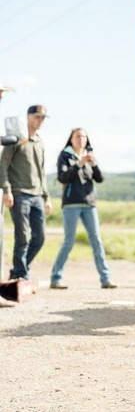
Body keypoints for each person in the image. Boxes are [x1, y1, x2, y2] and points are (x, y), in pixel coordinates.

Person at [49, 128, 115, 289]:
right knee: (69, 241)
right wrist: (79, 164)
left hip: (89, 204)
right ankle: (56, 278)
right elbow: (63, 177)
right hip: (71, 203)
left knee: (97, 240)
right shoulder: (64, 155)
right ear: (71, 139)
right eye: (78, 136)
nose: (81, 139)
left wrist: (95, 164)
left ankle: (105, 279)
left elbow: (99, 179)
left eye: (84, 136)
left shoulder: (89, 155)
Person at [0, 105, 53, 281]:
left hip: (37, 195)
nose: (40, 121)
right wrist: (7, 190)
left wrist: (46, 197)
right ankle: (21, 274)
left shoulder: (40, 141)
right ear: (28, 117)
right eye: (37, 117)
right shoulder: (16, 139)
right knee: (22, 236)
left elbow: (42, 171)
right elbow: (3, 165)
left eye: (43, 118)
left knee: (39, 238)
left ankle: (19, 269)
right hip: (19, 193)